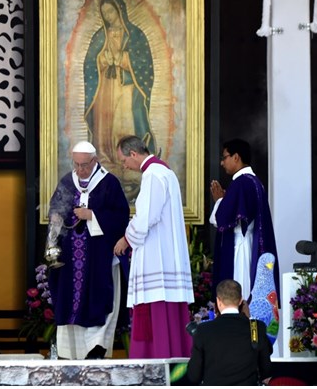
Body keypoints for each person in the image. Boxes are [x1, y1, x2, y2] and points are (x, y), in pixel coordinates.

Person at [47, 141, 130, 360]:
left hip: (98, 256)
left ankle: (96, 348)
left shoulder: (109, 183)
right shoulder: (67, 181)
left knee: (97, 299)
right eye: (77, 164)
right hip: (70, 257)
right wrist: (55, 220)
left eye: (84, 164)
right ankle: (70, 353)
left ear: (94, 161)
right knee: (69, 301)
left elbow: (121, 217)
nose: (80, 169)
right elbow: (56, 208)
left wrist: (92, 215)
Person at [114, 135, 193, 358]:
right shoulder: (165, 172)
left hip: (156, 256)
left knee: (155, 309)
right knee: (169, 315)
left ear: (133, 154)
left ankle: (153, 363)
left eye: (123, 160)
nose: (124, 165)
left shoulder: (153, 175)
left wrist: (126, 239)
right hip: (166, 254)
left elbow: (146, 217)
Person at [83, 0, 157, 201]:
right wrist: (102, 60)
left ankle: (128, 168)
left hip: (127, 89)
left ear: (120, 10)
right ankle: (108, 164)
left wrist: (124, 59)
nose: (108, 16)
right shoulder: (100, 35)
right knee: (105, 127)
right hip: (105, 89)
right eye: (104, 13)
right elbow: (89, 64)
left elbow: (144, 64)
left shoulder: (135, 35)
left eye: (111, 12)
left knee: (124, 124)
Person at [210, 138, 280, 303]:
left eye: (224, 157)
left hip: (239, 248)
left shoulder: (241, 183)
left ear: (236, 157)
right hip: (249, 244)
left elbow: (220, 220)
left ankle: (243, 327)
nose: (222, 162)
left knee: (239, 294)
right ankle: (252, 328)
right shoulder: (254, 181)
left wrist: (220, 200)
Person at [187, 279, 273, 385]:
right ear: (241, 300)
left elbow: (194, 376)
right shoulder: (256, 327)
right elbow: (266, 370)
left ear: (218, 301)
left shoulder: (203, 330)